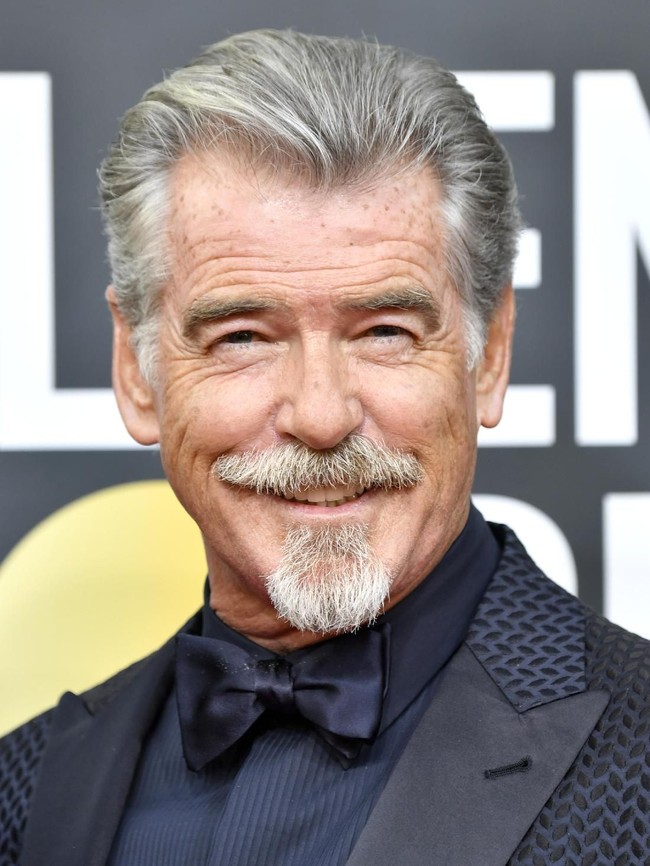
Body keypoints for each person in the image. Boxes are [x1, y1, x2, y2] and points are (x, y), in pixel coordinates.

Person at [1, 28, 648, 866]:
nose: (320, 415)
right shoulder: (24, 796)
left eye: (383, 331)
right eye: (242, 337)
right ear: (136, 369)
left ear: (489, 357)